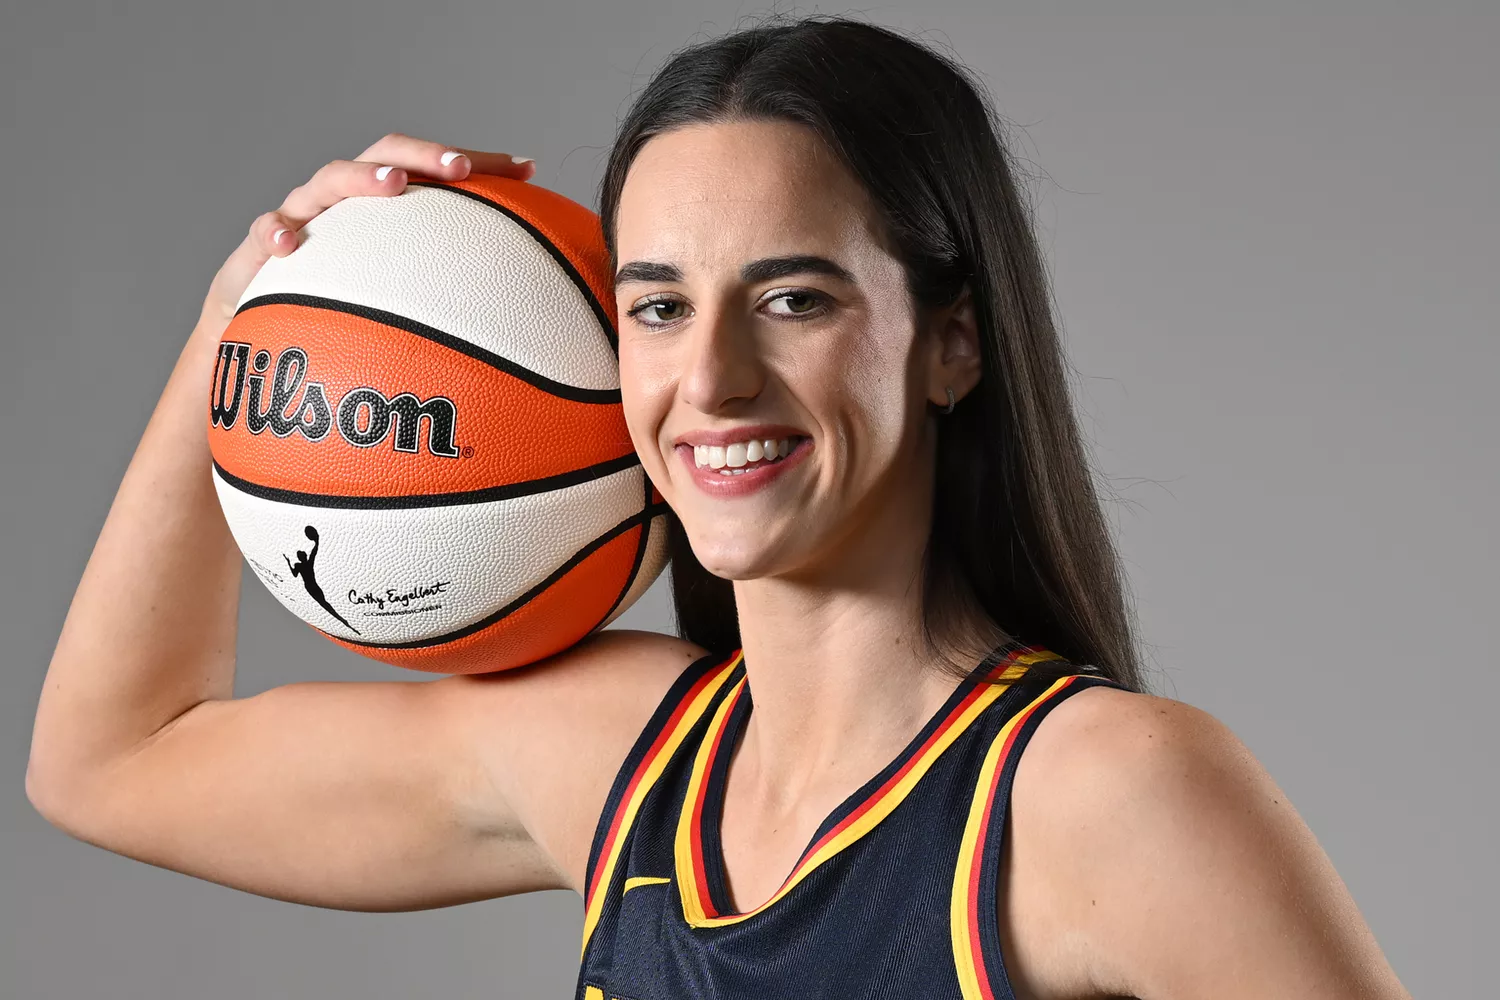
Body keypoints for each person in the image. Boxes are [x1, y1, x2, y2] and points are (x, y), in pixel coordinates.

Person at [27, 16, 1411, 1000]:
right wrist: (246, 315)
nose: (713, 380)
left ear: (952, 342)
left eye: (794, 299)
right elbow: (108, 759)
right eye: (659, 306)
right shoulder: (623, 758)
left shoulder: (1104, 796)